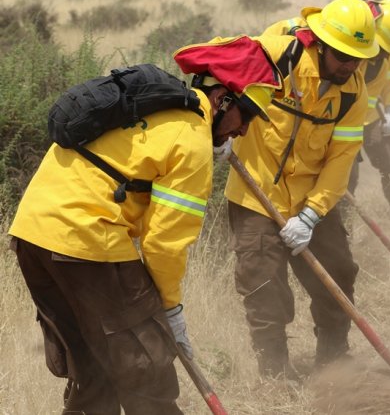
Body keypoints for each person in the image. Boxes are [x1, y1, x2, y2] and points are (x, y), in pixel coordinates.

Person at [8, 35, 280, 414]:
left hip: (31, 236)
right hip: (88, 239)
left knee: (91, 370)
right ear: (222, 100)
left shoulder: (156, 108)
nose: (245, 131)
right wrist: (169, 311)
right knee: (146, 371)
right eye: (246, 116)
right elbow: (164, 245)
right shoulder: (191, 138)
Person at [225, 0, 375, 377]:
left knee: (339, 271)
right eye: (343, 56)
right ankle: (275, 373)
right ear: (321, 44)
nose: (350, 65)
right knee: (264, 286)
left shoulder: (353, 92)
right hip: (255, 193)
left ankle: (334, 358)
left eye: (358, 58)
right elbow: (216, 68)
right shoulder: (279, 56)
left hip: (311, 197)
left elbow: (342, 158)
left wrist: (311, 215)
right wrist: (218, 120)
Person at [347, 0, 390, 217]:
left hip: (372, 118)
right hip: (344, 123)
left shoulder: (389, 50)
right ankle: (343, 225)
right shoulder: (353, 49)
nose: (386, 53)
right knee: (348, 178)